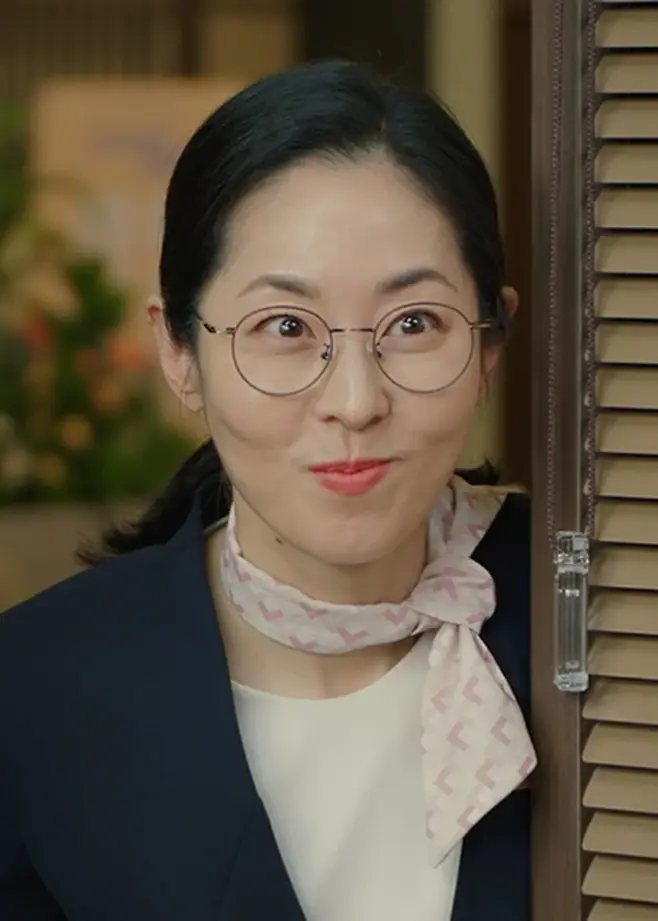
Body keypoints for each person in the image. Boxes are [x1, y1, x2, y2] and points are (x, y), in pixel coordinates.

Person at [0, 60, 535, 921]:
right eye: (284, 327)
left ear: (490, 346)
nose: (355, 401)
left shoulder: (604, 616)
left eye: (414, 323)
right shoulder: (34, 689)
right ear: (179, 353)